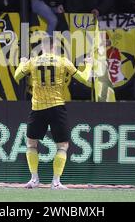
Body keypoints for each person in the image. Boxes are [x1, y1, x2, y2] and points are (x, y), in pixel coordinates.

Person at [14, 37, 93, 190]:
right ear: (54, 47)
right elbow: (84, 79)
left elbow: (17, 76)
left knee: (31, 143)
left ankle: (34, 179)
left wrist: (22, 63)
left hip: (38, 107)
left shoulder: (33, 61)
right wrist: (89, 64)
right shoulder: (63, 61)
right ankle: (55, 182)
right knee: (62, 146)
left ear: (42, 47)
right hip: (57, 107)